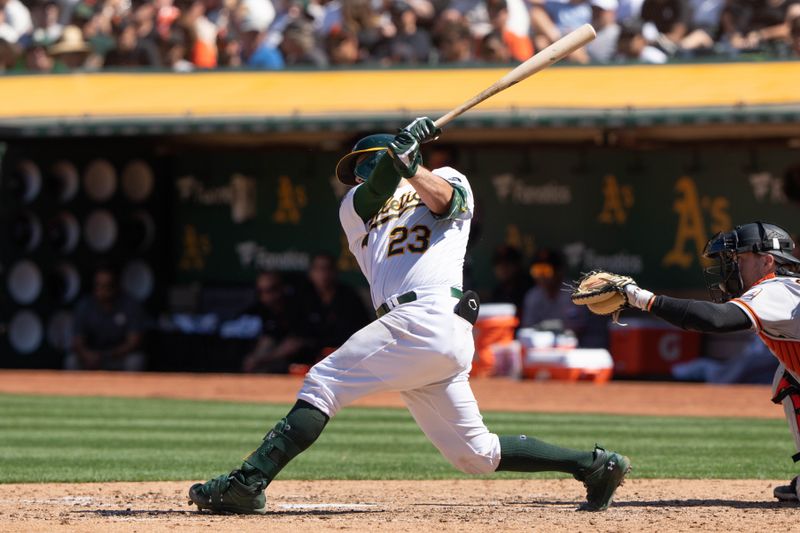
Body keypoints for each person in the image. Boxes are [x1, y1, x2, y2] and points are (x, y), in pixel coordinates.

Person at [188, 117, 630, 514]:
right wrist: (393, 165)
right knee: (474, 456)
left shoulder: (446, 177)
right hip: (417, 326)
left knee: (323, 382)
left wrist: (412, 167)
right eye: (355, 171)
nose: (356, 176)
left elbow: (447, 203)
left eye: (363, 164)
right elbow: (376, 191)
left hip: (434, 313)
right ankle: (594, 466)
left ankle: (247, 483)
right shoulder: (355, 208)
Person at [574, 221, 800, 502]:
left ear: (767, 261)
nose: (732, 266)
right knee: (789, 376)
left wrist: (642, 299)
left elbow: (714, 319)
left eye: (740, 258)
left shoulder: (775, 289)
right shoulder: (788, 289)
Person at [66, 265, 146, 371]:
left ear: (116, 286)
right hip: (92, 356)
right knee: (72, 361)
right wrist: (87, 355)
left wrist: (108, 355)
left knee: (135, 361)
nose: (102, 291)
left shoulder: (129, 305)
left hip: (118, 356)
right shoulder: (85, 305)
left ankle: (128, 388)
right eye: (99, 286)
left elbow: (134, 341)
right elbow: (77, 340)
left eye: (107, 286)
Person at [300, 252, 370, 356]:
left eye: (327, 268)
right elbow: (300, 336)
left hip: (345, 354)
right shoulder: (305, 298)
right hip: (311, 357)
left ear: (335, 271)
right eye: (318, 269)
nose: (323, 273)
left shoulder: (349, 297)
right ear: (311, 273)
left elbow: (359, 334)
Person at [240, 271, 312, 373]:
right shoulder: (264, 310)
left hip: (302, 361)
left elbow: (293, 345)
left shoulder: (296, 307)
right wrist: (253, 358)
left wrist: (261, 360)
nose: (265, 296)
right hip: (274, 357)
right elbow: (268, 338)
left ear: (281, 288)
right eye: (261, 291)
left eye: (270, 290)